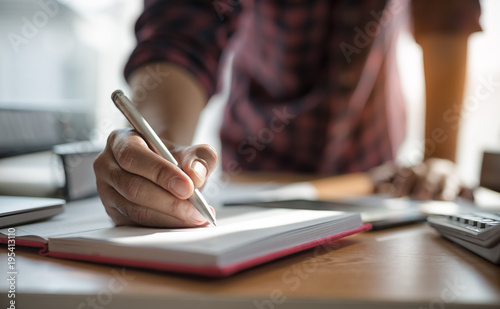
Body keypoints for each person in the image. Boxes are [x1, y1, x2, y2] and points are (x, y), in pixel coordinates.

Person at [93, 0, 481, 227]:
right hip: (255, 172)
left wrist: (438, 163)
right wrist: (161, 147)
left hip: (375, 181)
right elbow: (182, 30)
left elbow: (446, 19)